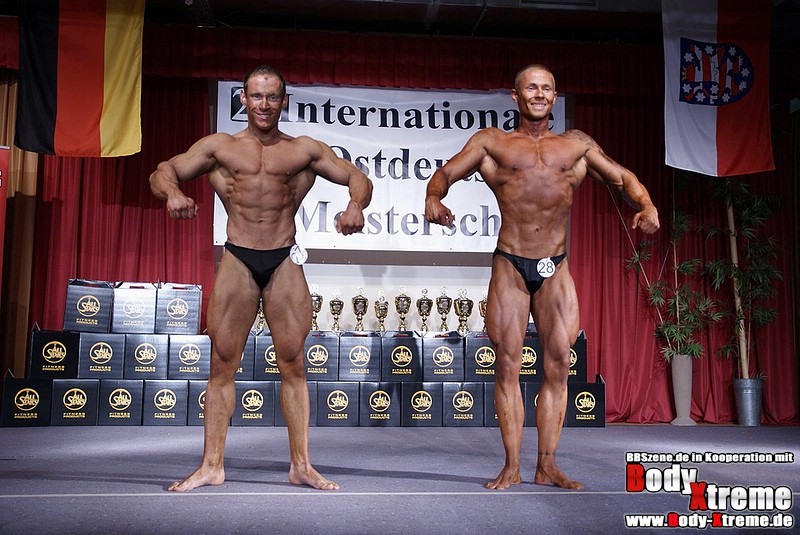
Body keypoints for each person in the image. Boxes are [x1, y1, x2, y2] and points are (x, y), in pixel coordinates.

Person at [425, 64, 659, 490]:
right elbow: (445, 172)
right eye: (531, 88)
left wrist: (646, 205)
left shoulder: (575, 146)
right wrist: (433, 197)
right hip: (510, 265)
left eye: (546, 88)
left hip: (556, 266)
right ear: (516, 96)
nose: (539, 94)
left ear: (554, 96)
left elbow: (623, 177)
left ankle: (547, 464)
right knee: (507, 365)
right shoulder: (492, 143)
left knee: (558, 365)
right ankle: (512, 465)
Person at [150, 65, 373, 492]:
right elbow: (163, 170)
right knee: (222, 364)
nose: (264, 104)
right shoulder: (221, 147)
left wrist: (355, 205)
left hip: (284, 258)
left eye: (272, 97)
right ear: (243, 99)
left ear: (284, 101)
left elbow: (357, 177)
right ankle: (211, 465)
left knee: (294, 363)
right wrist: (174, 193)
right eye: (256, 96)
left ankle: (301, 465)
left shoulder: (304, 150)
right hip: (238, 257)